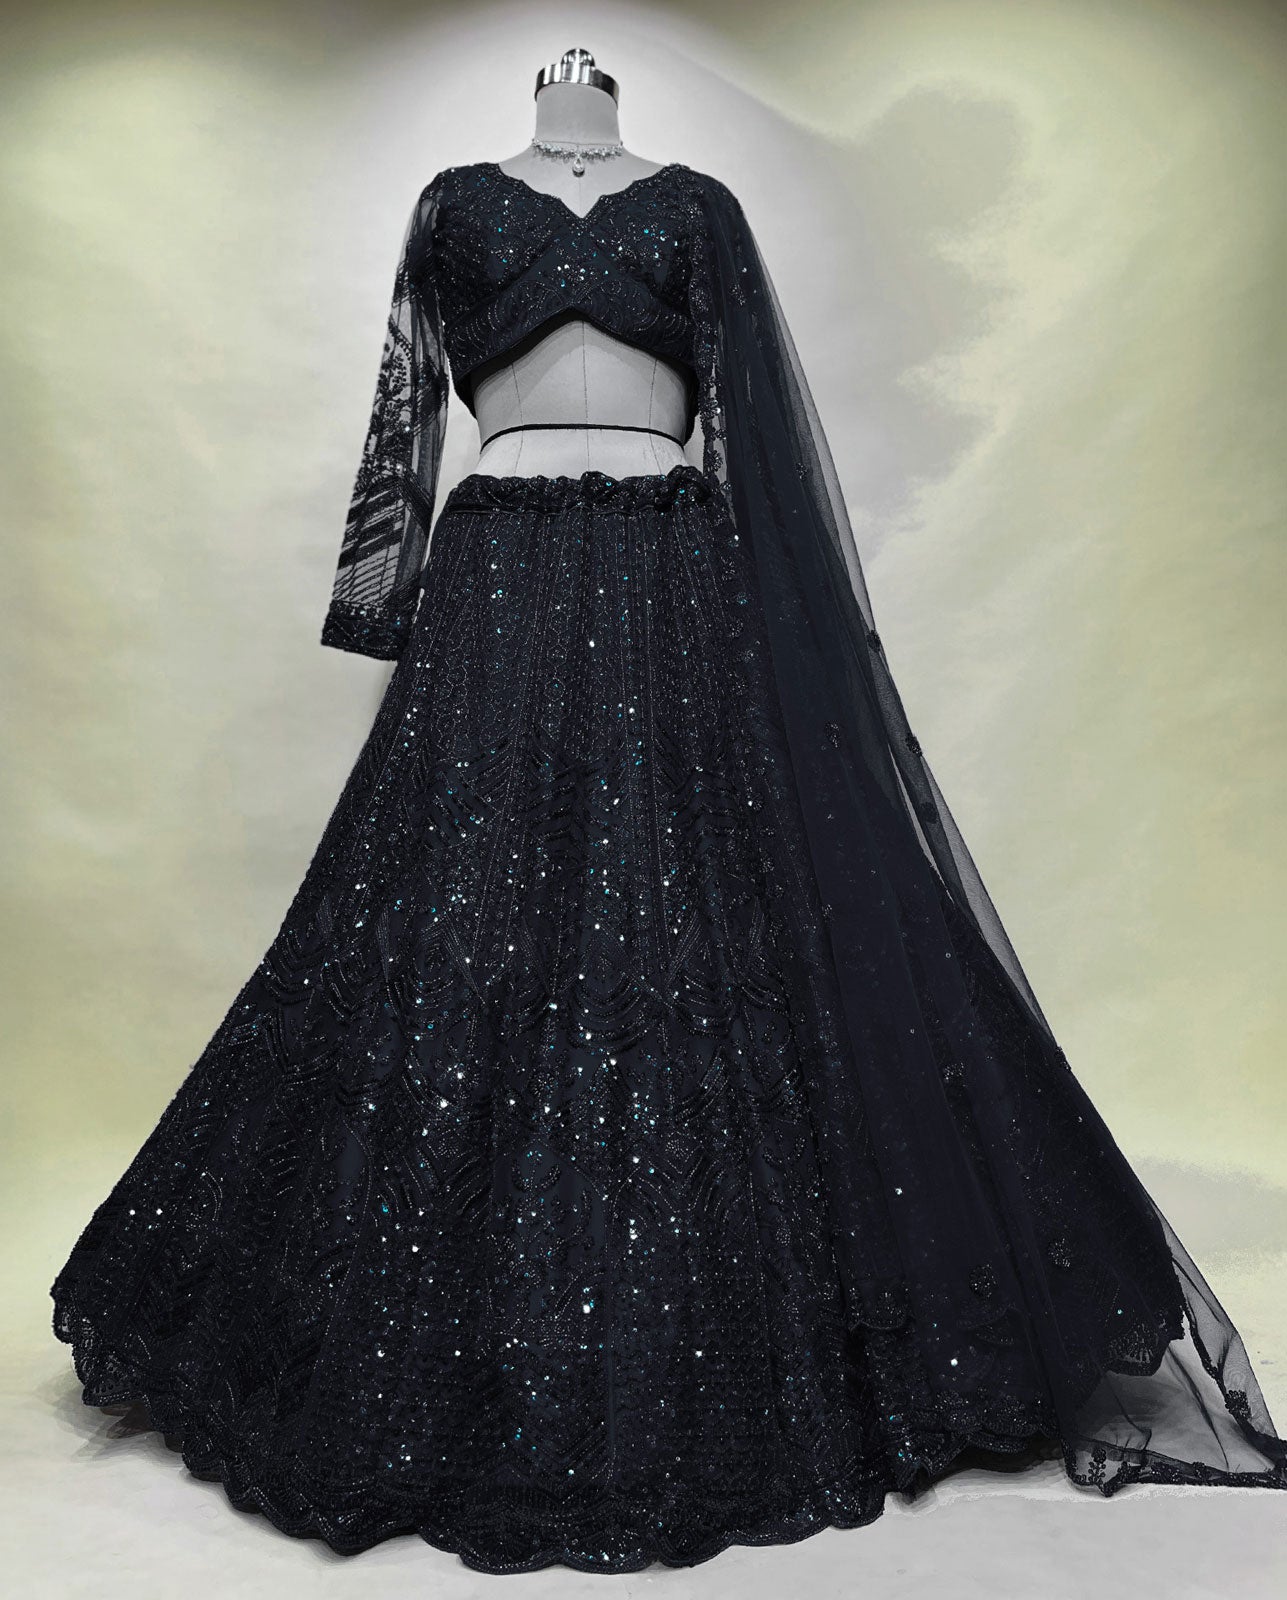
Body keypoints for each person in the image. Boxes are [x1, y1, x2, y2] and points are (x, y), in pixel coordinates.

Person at [50, 46, 1286, 1575]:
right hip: (499, 575)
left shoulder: (698, 208)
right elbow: (405, 403)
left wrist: (786, 622)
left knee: (700, 909)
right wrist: (384, 592)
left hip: (673, 575)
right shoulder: (454, 205)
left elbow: (751, 422)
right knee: (465, 912)